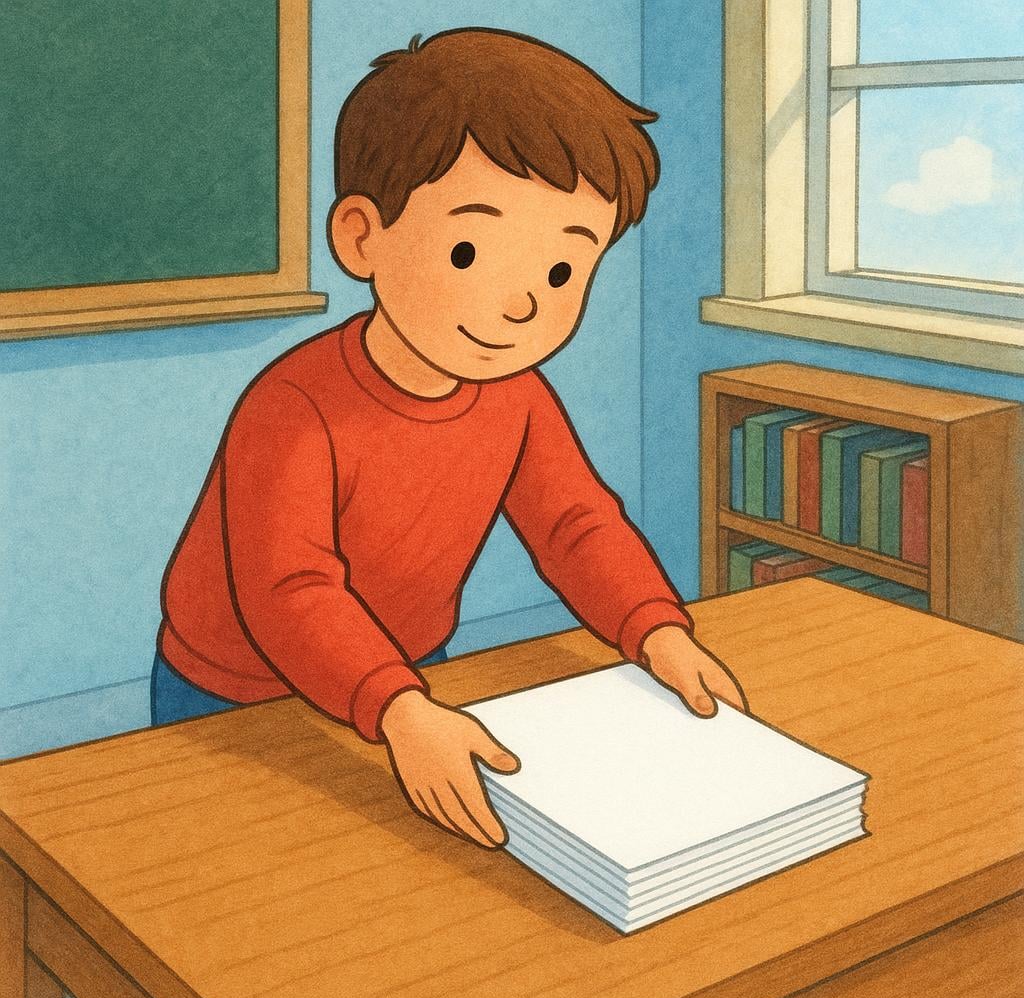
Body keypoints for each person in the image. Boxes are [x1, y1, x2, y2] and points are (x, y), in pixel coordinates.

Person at [154, 27, 747, 850]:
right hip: (233, 692)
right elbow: (289, 591)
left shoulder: (519, 397)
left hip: (400, 678)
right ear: (362, 238)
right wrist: (397, 706)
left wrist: (655, 630)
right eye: (471, 250)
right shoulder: (291, 406)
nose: (521, 304)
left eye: (562, 271)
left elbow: (578, 525)